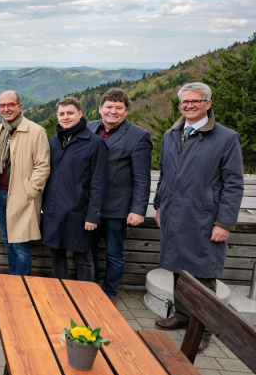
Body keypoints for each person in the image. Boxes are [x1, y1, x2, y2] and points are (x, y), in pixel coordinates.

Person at [153, 82, 244, 352]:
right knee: (176, 266)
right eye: (185, 101)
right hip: (173, 212)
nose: (189, 105)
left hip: (204, 216)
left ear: (208, 104)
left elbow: (233, 184)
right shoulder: (171, 134)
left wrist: (224, 223)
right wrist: (159, 205)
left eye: (196, 101)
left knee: (202, 273)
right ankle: (182, 316)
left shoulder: (226, 138)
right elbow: (165, 174)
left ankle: (202, 328)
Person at [87, 88, 153, 304]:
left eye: (118, 108)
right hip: (89, 206)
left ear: (126, 111)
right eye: (109, 107)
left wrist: (138, 209)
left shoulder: (139, 136)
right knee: (89, 249)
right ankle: (90, 286)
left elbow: (142, 178)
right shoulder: (88, 128)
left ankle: (109, 292)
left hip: (117, 207)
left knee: (115, 252)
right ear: (100, 108)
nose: (113, 111)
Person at [42, 97, 107, 282]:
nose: (65, 117)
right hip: (54, 209)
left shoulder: (95, 143)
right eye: (61, 114)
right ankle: (60, 291)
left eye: (70, 113)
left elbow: (98, 182)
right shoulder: (54, 140)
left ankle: (86, 297)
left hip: (79, 211)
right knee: (56, 252)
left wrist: (93, 215)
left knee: (83, 257)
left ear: (80, 114)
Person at [0, 91, 50, 277]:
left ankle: (23, 284)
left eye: (11, 105)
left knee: (21, 245)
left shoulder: (36, 131)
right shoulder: (0, 130)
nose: (6, 109)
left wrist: (29, 192)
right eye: (2, 106)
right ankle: (14, 281)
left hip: (22, 196)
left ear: (20, 106)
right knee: (7, 240)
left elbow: (43, 166)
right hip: (1, 195)